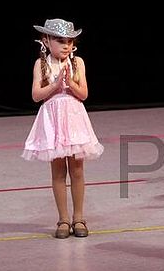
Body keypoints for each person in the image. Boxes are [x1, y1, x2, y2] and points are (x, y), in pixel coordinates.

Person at [22, 18, 104, 239]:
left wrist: (71, 83)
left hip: (74, 120)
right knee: (58, 173)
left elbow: (84, 94)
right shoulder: (41, 64)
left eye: (69, 41)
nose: (66, 45)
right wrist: (56, 84)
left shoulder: (78, 63)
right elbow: (36, 95)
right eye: (60, 41)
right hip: (53, 122)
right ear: (46, 41)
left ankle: (79, 218)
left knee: (77, 171)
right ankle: (63, 219)